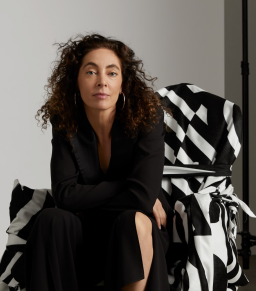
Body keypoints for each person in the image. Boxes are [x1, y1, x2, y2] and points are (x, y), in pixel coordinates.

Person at [27, 33, 174, 291]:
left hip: (134, 231)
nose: (102, 82)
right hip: (87, 233)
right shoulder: (65, 122)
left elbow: (140, 199)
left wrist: (137, 195)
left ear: (124, 84)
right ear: (76, 81)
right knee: (51, 219)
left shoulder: (148, 118)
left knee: (134, 219)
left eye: (112, 73)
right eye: (91, 72)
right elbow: (64, 196)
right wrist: (132, 187)